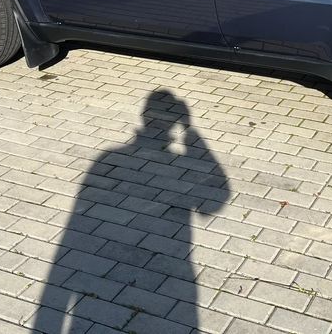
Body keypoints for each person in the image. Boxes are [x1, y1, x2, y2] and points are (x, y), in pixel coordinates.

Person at [34, 89, 230, 333]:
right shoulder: (116, 158)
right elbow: (212, 205)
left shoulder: (107, 157)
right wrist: (193, 139)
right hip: (175, 267)